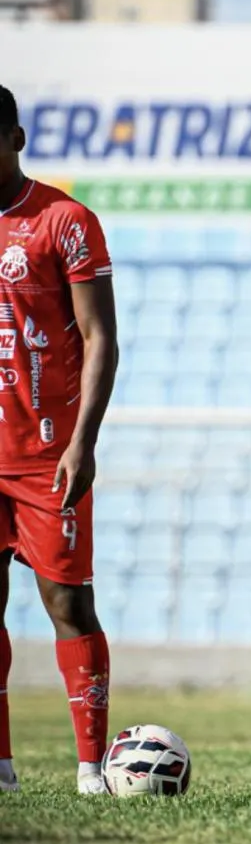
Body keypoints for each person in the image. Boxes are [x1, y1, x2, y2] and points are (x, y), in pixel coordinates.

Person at [0, 85, 119, 795]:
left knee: (67, 601)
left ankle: (90, 768)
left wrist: (83, 441)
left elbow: (101, 336)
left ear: (14, 138)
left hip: (48, 455)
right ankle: (2, 768)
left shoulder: (65, 221)